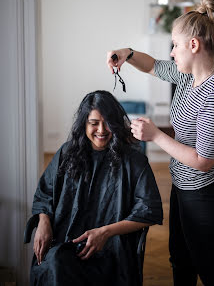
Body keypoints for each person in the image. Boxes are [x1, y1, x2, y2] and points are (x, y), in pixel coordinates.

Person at [107, 0, 214, 286]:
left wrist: (155, 135)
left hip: (205, 194)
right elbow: (152, 65)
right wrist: (126, 53)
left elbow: (204, 162)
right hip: (183, 186)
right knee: (180, 261)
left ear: (194, 45)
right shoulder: (187, 77)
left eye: (175, 45)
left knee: (210, 269)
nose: (171, 53)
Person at [29, 90, 163, 286]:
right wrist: (43, 222)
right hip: (66, 243)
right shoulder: (67, 153)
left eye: (108, 122)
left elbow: (149, 210)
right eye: (94, 123)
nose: (101, 130)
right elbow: (45, 192)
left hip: (112, 249)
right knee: (56, 264)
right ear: (83, 124)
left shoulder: (134, 161)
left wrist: (105, 232)